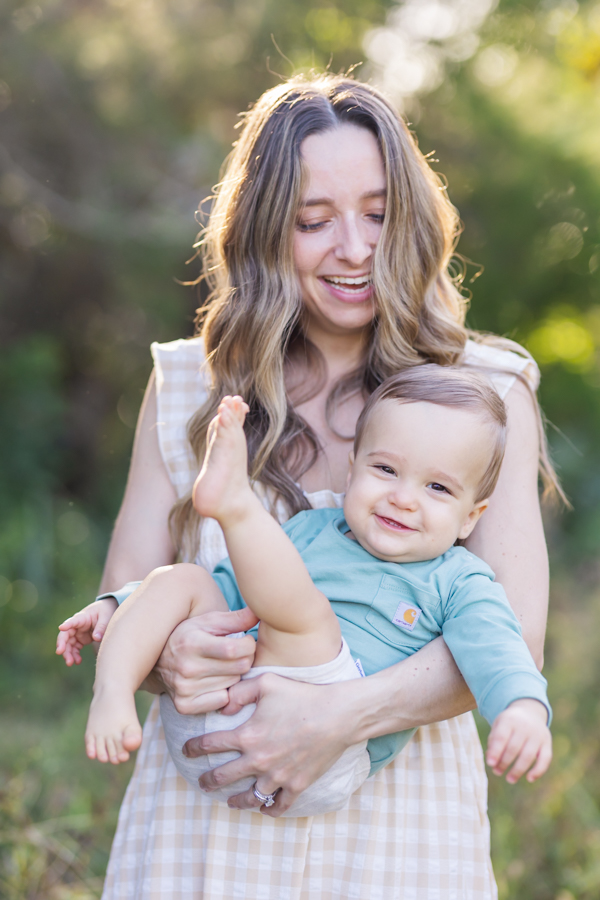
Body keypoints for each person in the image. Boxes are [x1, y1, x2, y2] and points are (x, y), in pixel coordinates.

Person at [83, 73, 557, 898]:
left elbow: (514, 639)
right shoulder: (189, 386)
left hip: (403, 845)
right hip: (204, 842)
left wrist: (338, 717)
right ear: (266, 230)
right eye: (313, 220)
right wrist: (167, 655)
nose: (354, 247)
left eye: (378, 212)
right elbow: (124, 596)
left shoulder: (487, 388)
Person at [57, 369, 552, 820]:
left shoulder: (460, 582)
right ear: (353, 467)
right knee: (186, 578)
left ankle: (235, 506)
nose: (404, 497)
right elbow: (228, 591)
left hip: (326, 752)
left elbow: (499, 649)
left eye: (438, 488)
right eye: (386, 470)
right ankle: (111, 694)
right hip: (218, 713)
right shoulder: (314, 530)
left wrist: (523, 707)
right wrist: (116, 606)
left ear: (471, 516)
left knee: (308, 620)